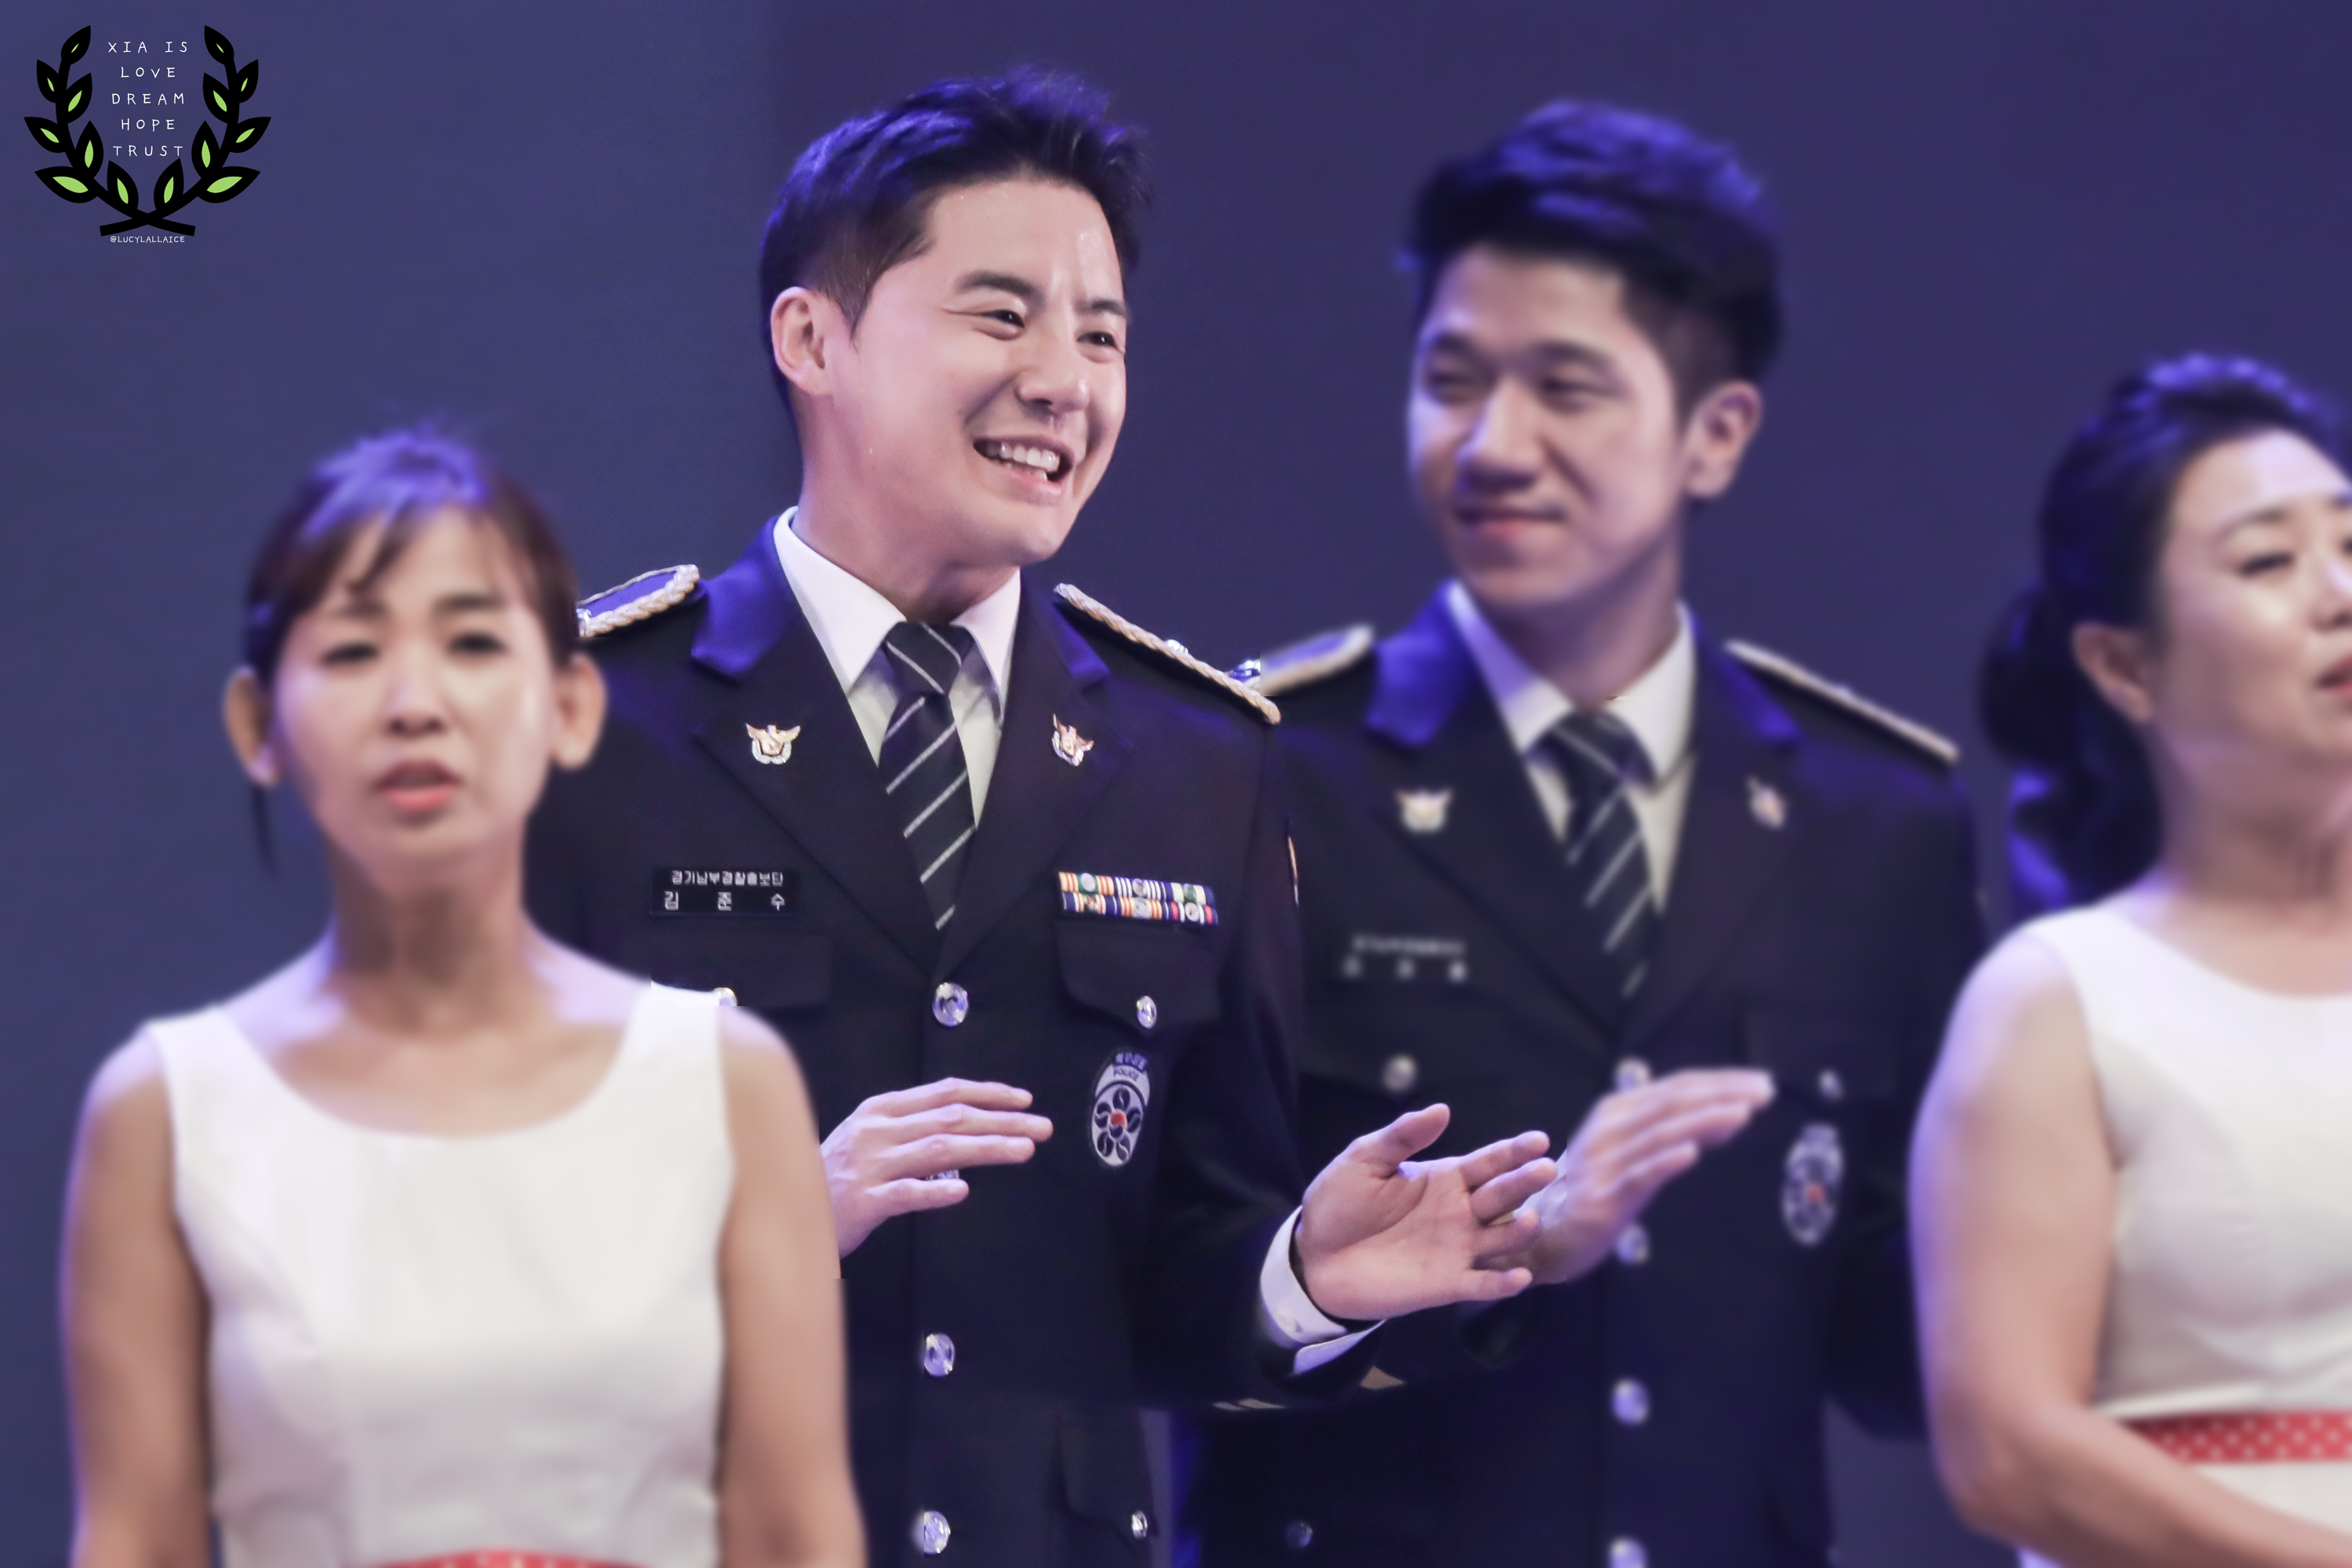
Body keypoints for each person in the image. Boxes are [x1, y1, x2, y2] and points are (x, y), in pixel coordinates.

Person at [525, 74, 1561, 1568]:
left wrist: (1304, 1281)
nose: (1063, 382)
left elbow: (1179, 1274)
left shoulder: (1199, 760)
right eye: (1001, 317)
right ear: (811, 340)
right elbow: (447, 1241)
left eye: (1101, 335)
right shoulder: (586, 727)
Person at [1185, 101, 1984, 1567]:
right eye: (1452, 381)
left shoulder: (1878, 822)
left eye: (1567, 388)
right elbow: (1165, 1277)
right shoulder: (1259, 770)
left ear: (1715, 434)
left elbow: (1902, 1341)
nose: (1495, 444)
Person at [62, 431, 864, 1568]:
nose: (415, 703)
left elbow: (796, 1535)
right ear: (258, 725)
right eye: (352, 651)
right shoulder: (166, 1115)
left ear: (572, 705)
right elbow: (135, 1539)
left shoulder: (728, 1086)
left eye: (474, 642)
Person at [1914, 355, 2352, 1566]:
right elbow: (2006, 1449)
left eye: (2351, 543)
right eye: (2269, 562)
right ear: (2124, 666)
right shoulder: (2063, 1000)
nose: (2339, 594)